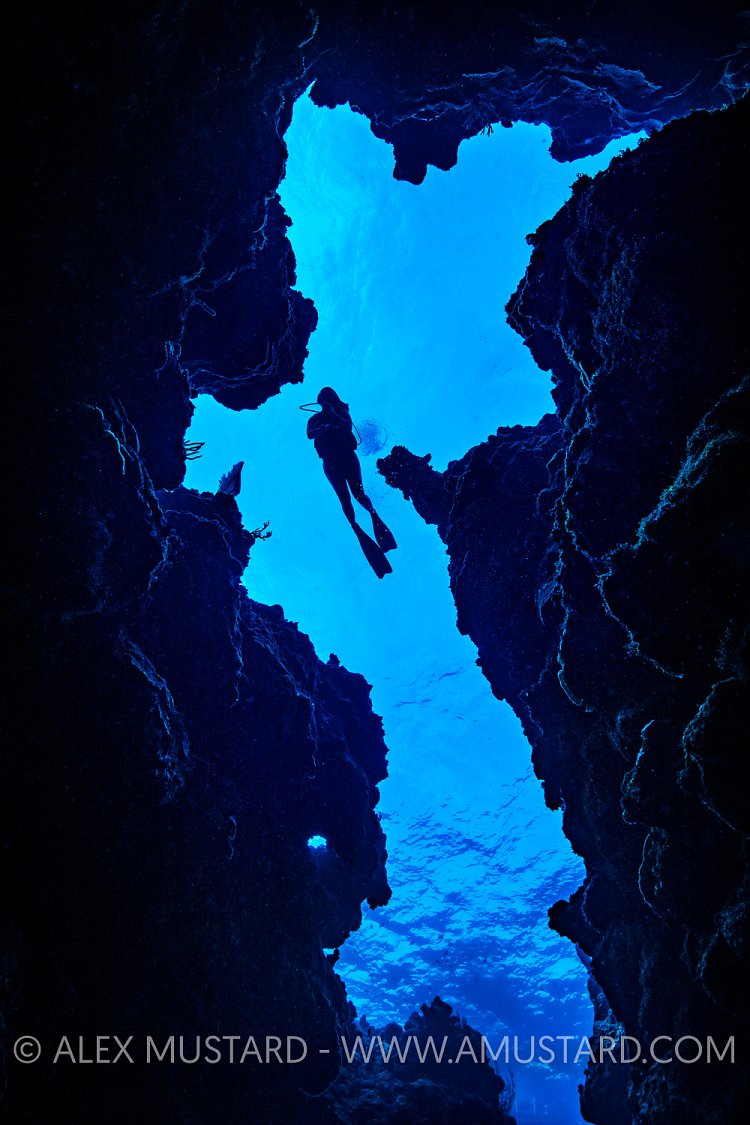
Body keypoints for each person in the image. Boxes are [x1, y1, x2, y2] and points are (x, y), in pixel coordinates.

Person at [305, 387, 397, 578]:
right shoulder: (314, 419)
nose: (325, 402)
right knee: (345, 500)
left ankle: (374, 517)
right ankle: (356, 528)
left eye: (328, 399)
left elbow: (346, 427)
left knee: (359, 494)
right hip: (329, 462)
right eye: (323, 400)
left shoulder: (343, 412)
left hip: (347, 456)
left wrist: (333, 416)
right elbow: (310, 434)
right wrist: (326, 426)